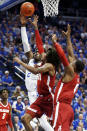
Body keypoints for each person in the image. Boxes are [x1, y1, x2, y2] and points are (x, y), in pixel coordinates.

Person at [20, 15, 60, 131]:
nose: (39, 51)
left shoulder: (48, 65)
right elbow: (28, 43)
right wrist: (29, 27)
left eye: (41, 52)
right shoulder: (31, 59)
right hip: (35, 95)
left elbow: (36, 69)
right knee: (27, 120)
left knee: (47, 123)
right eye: (36, 51)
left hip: (43, 96)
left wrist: (20, 63)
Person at [52, 24, 85, 131]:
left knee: (56, 129)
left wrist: (55, 43)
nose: (72, 62)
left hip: (61, 106)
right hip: (68, 109)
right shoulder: (76, 74)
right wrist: (68, 37)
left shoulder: (70, 72)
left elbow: (63, 56)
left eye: (73, 63)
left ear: (74, 67)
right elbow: (70, 53)